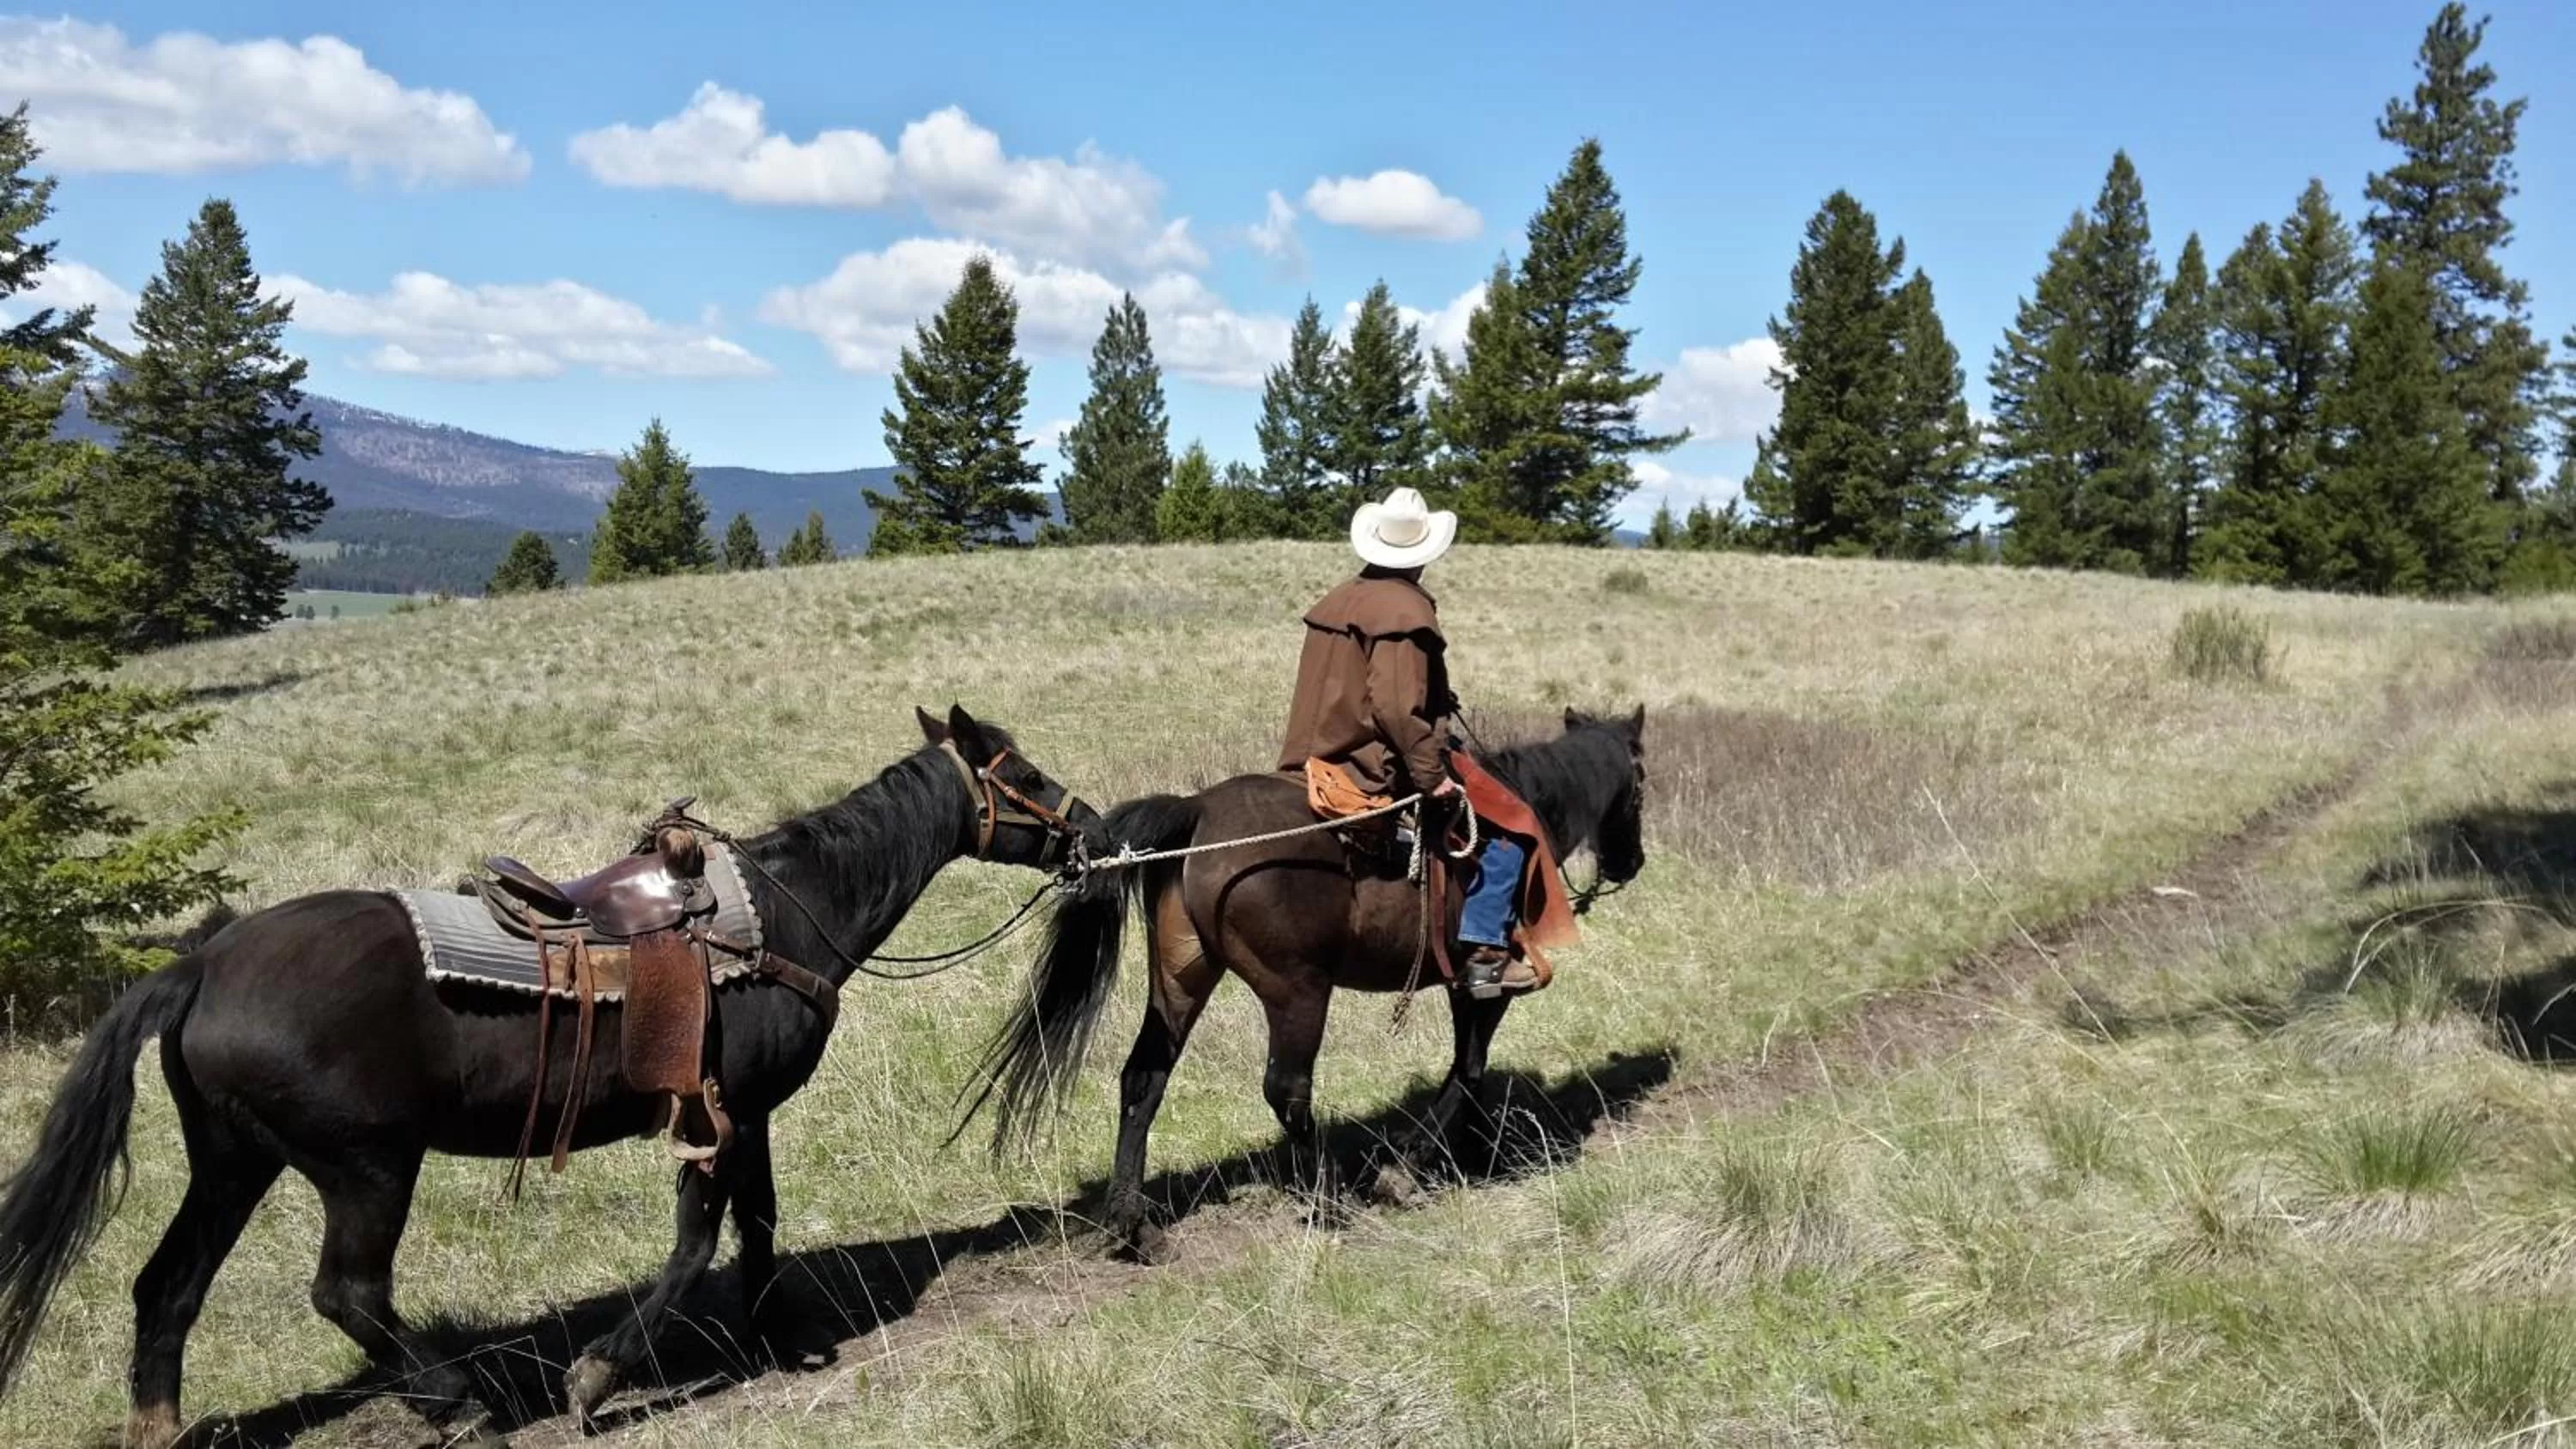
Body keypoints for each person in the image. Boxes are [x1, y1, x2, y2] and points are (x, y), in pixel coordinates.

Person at [1275, 486, 1538, 997]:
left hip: (1310, 759)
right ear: (1423, 554)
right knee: (1512, 830)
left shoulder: (1340, 597)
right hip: (1365, 765)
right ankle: (1486, 956)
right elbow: (1397, 708)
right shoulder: (1404, 611)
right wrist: (1431, 776)